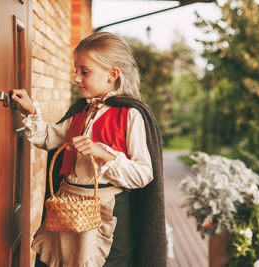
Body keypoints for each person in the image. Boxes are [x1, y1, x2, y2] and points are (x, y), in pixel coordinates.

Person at [12, 32, 166, 267]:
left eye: (85, 72)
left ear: (112, 75)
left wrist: (104, 154)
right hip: (67, 208)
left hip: (106, 212)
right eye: (76, 70)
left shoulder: (130, 115)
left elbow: (144, 174)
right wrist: (31, 111)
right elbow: (49, 137)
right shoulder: (82, 112)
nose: (76, 78)